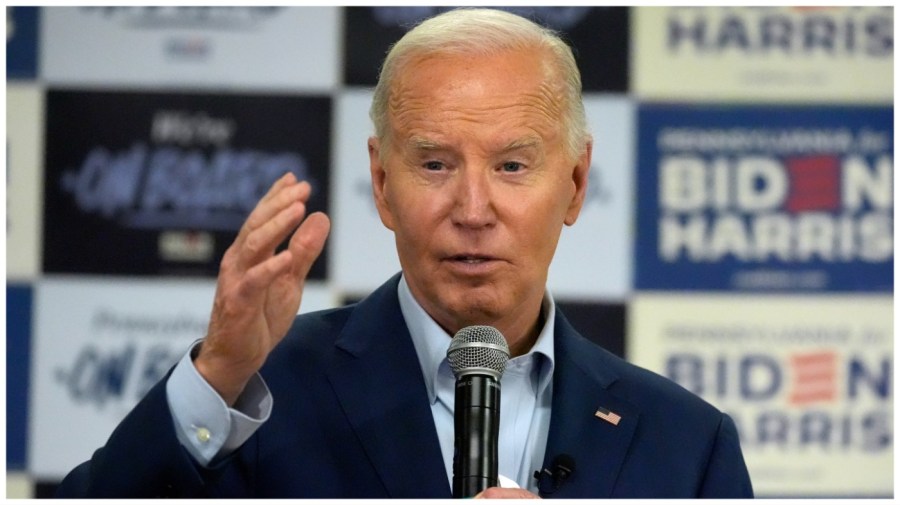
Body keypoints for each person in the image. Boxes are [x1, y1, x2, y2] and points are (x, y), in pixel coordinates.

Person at [56, 8, 753, 498]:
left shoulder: (685, 443)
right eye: (435, 164)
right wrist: (216, 375)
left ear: (574, 184)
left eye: (512, 165)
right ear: (382, 184)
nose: (473, 210)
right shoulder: (261, 394)